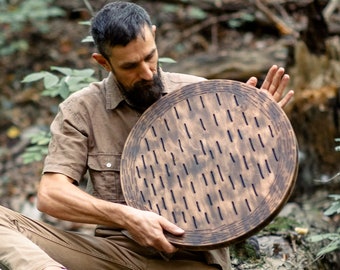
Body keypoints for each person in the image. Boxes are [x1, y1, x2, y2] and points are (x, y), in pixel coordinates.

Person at [0, 2, 294, 270]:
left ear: (154, 36)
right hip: (113, 256)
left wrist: (257, 134)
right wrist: (127, 217)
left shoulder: (201, 96)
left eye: (149, 57)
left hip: (190, 261)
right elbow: (51, 195)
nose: (146, 72)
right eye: (130, 66)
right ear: (103, 62)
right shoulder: (81, 110)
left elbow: (244, 192)